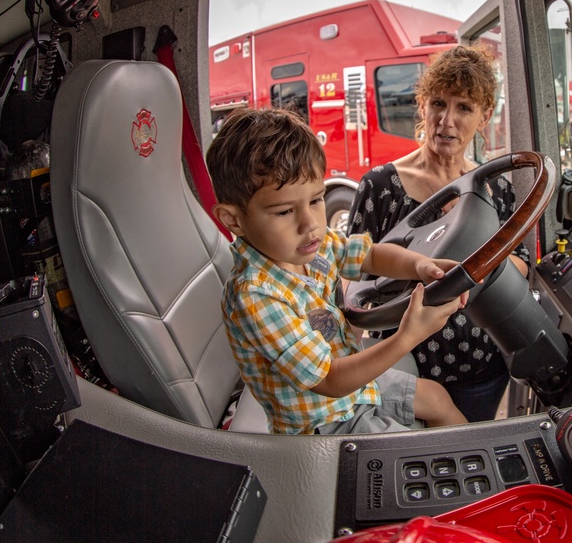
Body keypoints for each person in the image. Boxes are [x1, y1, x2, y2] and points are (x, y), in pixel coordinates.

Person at [205, 107, 468, 434]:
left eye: (316, 201)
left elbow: (368, 256)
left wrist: (418, 264)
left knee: (437, 398)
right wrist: (408, 336)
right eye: (285, 211)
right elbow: (329, 379)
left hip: (352, 386)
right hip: (323, 421)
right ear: (233, 220)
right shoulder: (255, 296)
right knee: (406, 448)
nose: (310, 224)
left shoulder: (310, 245)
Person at [347, 44, 530, 422]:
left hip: (482, 364)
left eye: (464, 107)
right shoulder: (380, 186)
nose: (447, 120)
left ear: (484, 117)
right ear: (422, 106)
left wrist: (469, 249)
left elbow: (523, 266)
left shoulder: (499, 189)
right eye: (438, 104)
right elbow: (353, 280)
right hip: (402, 365)